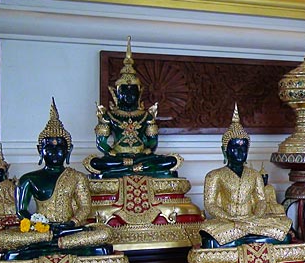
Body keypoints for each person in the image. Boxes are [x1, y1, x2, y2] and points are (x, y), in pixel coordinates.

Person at [0, 99, 111, 258]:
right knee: (2, 238)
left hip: (69, 230)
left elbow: (84, 207)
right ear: (40, 150)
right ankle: (54, 242)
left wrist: (71, 223)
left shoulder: (77, 177)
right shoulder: (28, 179)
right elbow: (21, 211)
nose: (54, 151)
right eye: (49, 147)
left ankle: (47, 246)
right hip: (41, 231)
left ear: (68, 150)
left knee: (104, 232)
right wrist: (41, 225)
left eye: (60, 147)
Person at [199, 104, 292, 248]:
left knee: (284, 237)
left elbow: (261, 201)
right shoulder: (214, 176)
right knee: (210, 241)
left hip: (253, 221)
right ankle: (245, 240)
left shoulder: (254, 175)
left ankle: (243, 240)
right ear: (225, 150)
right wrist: (230, 219)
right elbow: (210, 205)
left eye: (243, 148)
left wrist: (254, 217)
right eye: (235, 148)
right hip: (228, 223)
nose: (240, 152)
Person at [87, 37, 178, 178]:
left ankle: (132, 168)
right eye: (125, 92)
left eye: (132, 92)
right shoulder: (109, 116)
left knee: (170, 161)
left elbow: (153, 141)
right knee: (95, 163)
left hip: (142, 157)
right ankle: (134, 168)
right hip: (118, 157)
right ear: (117, 93)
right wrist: (112, 153)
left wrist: (148, 150)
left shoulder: (146, 116)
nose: (129, 96)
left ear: (139, 93)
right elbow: (101, 143)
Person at [0, 145, 15, 216]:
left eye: (0, 173)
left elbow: (13, 200)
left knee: (13, 207)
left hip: (5, 209)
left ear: (4, 173)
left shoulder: (9, 185)